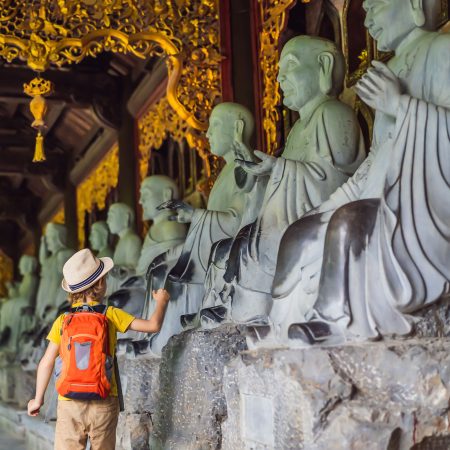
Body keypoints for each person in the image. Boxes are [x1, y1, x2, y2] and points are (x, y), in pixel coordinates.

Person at [26, 248, 171, 450]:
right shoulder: (110, 315)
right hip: (104, 400)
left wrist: (37, 399)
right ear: (101, 284)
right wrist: (162, 302)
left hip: (69, 403)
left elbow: (47, 361)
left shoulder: (63, 321)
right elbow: (153, 326)